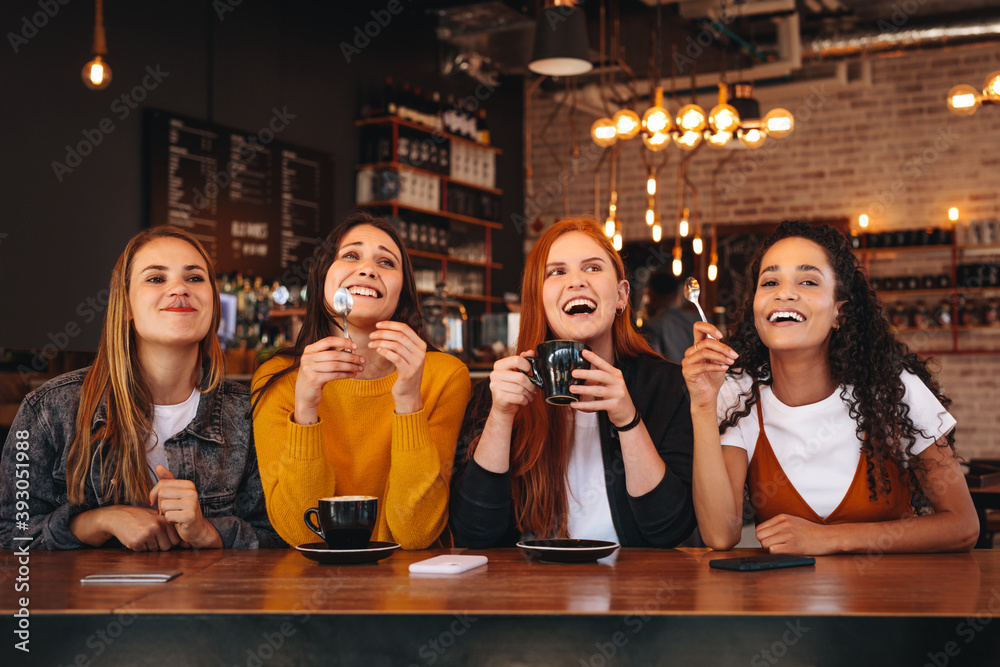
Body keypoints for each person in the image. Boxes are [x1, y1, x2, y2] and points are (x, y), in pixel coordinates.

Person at [682, 221, 979, 555]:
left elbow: (963, 526)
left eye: (808, 281)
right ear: (755, 309)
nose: (785, 293)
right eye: (770, 282)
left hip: (888, 601)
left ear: (840, 312)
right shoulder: (738, 394)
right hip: (782, 604)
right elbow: (720, 534)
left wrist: (832, 539)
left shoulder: (891, 388)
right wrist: (703, 406)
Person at [0, 227, 281, 550]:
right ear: (127, 307)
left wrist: (209, 532)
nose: (179, 288)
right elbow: (10, 535)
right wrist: (95, 521)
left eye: (194, 278)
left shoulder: (251, 413)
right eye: (156, 279)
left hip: (210, 601)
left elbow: (283, 536)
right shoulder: (47, 410)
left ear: (214, 305)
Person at [450, 218, 696, 548]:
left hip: (630, 589)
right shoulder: (495, 394)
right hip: (528, 590)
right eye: (557, 272)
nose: (576, 282)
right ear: (538, 298)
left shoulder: (666, 386)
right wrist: (501, 417)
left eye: (593, 268)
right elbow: (473, 534)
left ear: (621, 295)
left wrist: (628, 419)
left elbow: (670, 531)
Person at [251, 211, 471, 549]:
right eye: (351, 255)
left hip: (408, 590)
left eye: (386, 262)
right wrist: (306, 407)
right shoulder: (278, 379)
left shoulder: (444, 375)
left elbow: (416, 533)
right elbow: (302, 533)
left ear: (403, 291)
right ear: (322, 275)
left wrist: (409, 400)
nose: (368, 269)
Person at [641, 270, 701, 363]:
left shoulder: (651, 326)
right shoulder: (700, 319)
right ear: (678, 293)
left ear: (651, 295)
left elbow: (653, 366)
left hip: (674, 377)